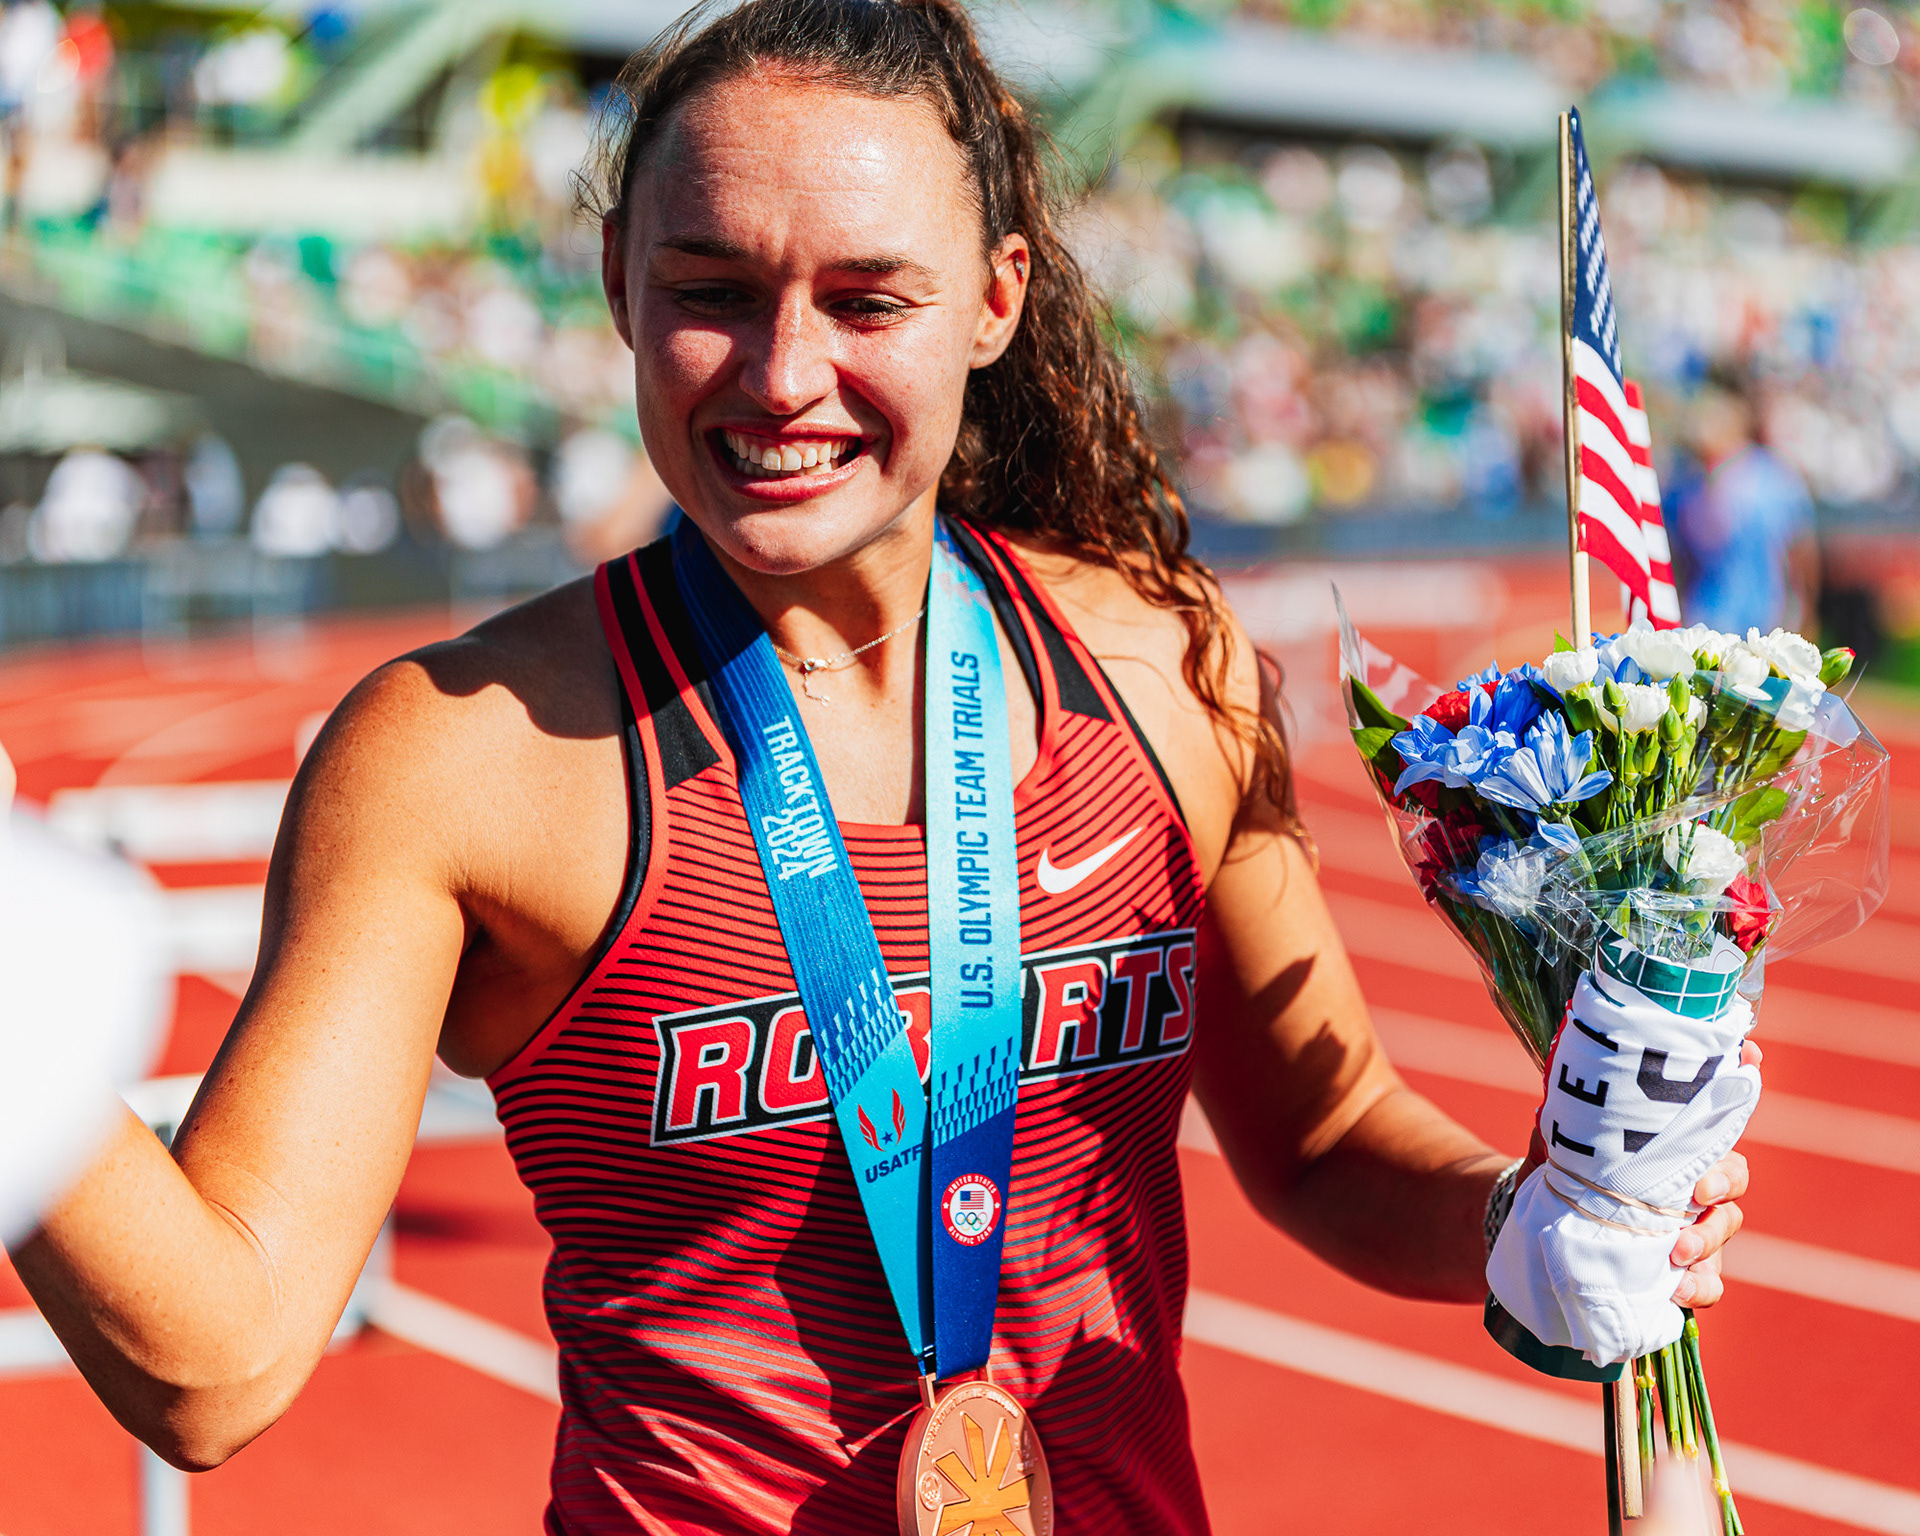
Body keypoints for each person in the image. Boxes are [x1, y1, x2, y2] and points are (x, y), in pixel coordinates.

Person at [9, 1, 1753, 1530]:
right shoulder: (461, 756)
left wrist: (1538, 1220)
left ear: (994, 298)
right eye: (709, 293)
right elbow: (218, 1362)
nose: (784, 377)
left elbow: (1322, 1137)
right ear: (616, 281)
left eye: (867, 299)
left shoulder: (1166, 666)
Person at [1668, 382, 1818, 636]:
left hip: (1766, 614)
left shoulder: (1773, 478)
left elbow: (1801, 550)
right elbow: (1679, 558)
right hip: (1705, 618)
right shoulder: (1688, 486)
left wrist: (1808, 610)